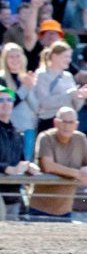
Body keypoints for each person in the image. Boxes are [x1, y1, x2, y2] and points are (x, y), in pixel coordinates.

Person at [30, 106, 87, 221]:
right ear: (56, 122)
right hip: (40, 209)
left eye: (71, 122)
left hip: (66, 210)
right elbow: (48, 166)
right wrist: (77, 174)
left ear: (76, 124)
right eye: (64, 121)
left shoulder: (80, 138)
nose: (67, 126)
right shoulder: (45, 137)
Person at [32, 41, 87, 133]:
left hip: (69, 123)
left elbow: (75, 106)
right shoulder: (42, 74)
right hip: (49, 122)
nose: (69, 60)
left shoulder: (68, 76)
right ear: (54, 56)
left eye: (69, 57)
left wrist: (80, 96)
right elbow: (44, 102)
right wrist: (69, 94)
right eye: (66, 56)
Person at [0, 85, 37, 219]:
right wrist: (8, 169)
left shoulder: (16, 133)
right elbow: (12, 168)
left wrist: (28, 166)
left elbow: (20, 160)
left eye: (9, 100)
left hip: (13, 194)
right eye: (1, 101)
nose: (5, 104)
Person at [1, 42, 37, 159]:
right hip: (8, 129)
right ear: (5, 59)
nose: (15, 59)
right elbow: (8, 103)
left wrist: (30, 86)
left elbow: (36, 106)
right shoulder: (2, 79)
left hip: (27, 128)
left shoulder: (27, 77)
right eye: (11, 57)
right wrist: (25, 88)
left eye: (18, 56)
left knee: (26, 163)